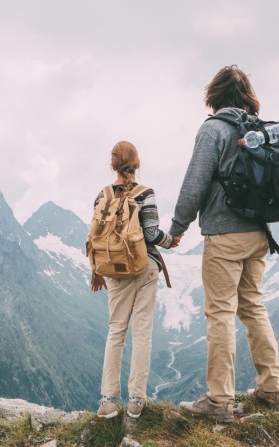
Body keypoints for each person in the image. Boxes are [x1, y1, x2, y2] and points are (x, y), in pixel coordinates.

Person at [169, 65, 279, 424]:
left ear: (214, 95)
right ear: (246, 95)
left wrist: (177, 227)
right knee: (253, 306)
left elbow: (195, 184)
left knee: (220, 312)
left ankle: (219, 400)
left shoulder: (214, 130)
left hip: (225, 234)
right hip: (259, 233)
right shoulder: (259, 130)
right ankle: (272, 389)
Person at [92, 140, 179, 419]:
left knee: (116, 331)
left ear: (113, 164)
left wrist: (96, 270)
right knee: (141, 333)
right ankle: (136, 400)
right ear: (137, 163)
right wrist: (170, 241)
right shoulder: (146, 193)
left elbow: (97, 237)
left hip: (115, 270)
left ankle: (107, 400)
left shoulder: (102, 195)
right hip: (144, 268)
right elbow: (152, 234)